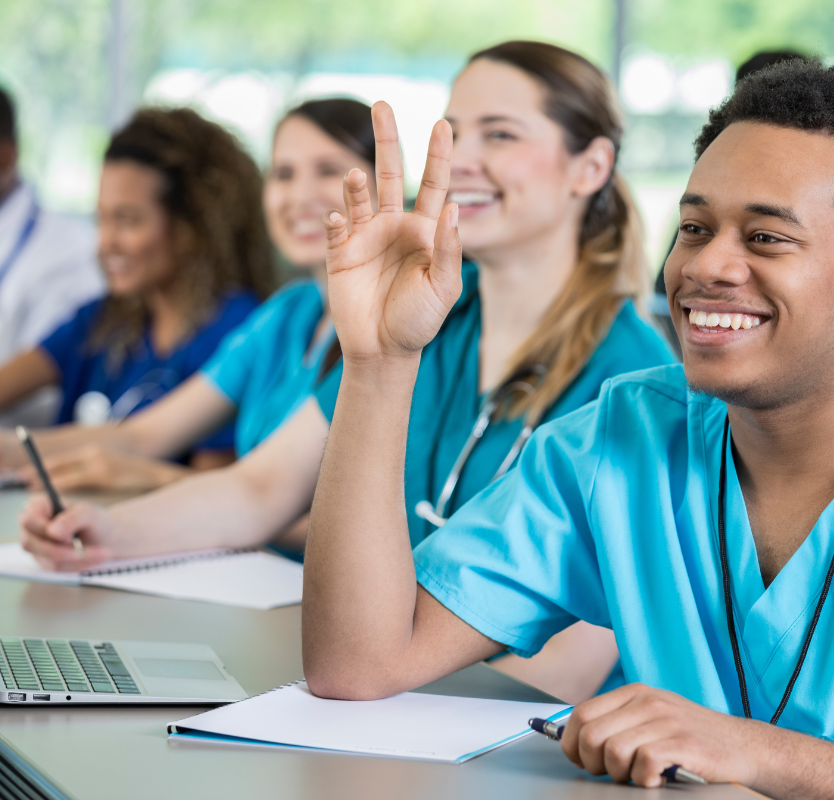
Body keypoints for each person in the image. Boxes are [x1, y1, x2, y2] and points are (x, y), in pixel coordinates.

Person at [298, 58, 834, 798]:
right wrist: (379, 361)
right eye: (694, 227)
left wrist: (742, 750)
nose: (705, 266)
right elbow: (358, 664)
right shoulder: (626, 432)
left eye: (766, 237)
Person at [20, 41, 676, 703]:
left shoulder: (638, 384)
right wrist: (111, 534)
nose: (460, 161)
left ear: (590, 166)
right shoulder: (433, 318)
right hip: (371, 693)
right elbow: (262, 487)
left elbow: (565, 668)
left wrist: (371, 704)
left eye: (500, 134)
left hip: (491, 732)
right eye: (452, 133)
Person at [1, 99, 374, 491]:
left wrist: (150, 477)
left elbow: (266, 502)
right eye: (283, 173)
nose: (300, 196)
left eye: (329, 170)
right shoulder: (287, 314)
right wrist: (13, 450)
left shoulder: (393, 333)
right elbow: (142, 437)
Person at [0, 108, 273, 472]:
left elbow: (211, 490)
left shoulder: (237, 331)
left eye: (127, 220)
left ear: (194, 226)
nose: (105, 242)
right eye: (101, 218)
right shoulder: (102, 319)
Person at [0, 85, 105, 428]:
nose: (110, 239)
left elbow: (42, 385)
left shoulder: (70, 252)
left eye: (126, 219)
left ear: (6, 156)